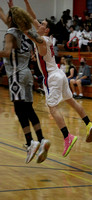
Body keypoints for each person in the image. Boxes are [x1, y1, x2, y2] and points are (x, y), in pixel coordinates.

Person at [23, 0, 92, 157]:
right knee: (71, 101)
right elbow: (32, 17)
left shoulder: (43, 40)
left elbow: (28, 32)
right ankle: (88, 123)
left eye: (42, 24)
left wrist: (18, 24)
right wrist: (25, 2)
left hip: (52, 77)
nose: (39, 24)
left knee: (52, 108)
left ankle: (67, 137)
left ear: (46, 29)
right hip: (60, 74)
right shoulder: (46, 38)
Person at [0, 3, 50, 164]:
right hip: (28, 74)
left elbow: (7, 53)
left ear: (11, 19)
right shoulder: (27, 33)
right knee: (28, 108)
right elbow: (40, 41)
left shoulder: (9, 34)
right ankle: (41, 140)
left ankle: (30, 142)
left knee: (19, 110)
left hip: (16, 75)